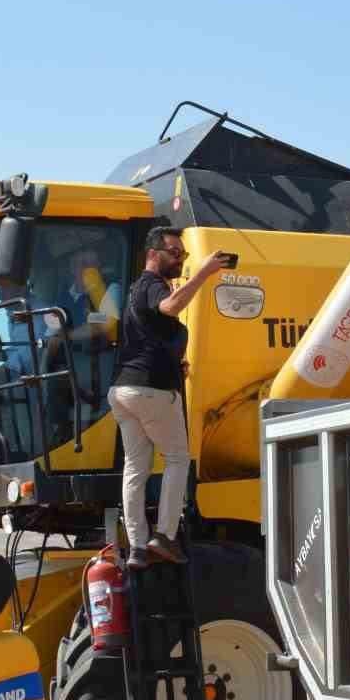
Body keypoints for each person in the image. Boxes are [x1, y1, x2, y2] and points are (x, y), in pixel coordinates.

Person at [110, 226, 228, 568]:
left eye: (184, 255)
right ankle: (163, 535)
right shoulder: (152, 285)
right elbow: (172, 306)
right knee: (177, 458)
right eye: (174, 253)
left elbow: (151, 335)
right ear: (152, 254)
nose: (180, 259)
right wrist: (205, 271)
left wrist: (175, 361)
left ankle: (136, 548)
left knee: (136, 469)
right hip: (151, 390)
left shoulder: (135, 291)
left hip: (123, 391)